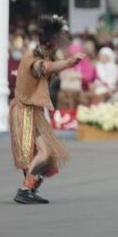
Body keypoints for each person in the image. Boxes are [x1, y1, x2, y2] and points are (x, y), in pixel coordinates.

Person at [10, 15, 84, 205]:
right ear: (51, 44)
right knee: (43, 153)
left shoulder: (38, 53)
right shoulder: (35, 59)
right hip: (24, 111)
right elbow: (46, 68)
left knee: (43, 154)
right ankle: (26, 189)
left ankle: (29, 188)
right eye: (59, 41)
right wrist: (69, 62)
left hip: (31, 110)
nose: (61, 44)